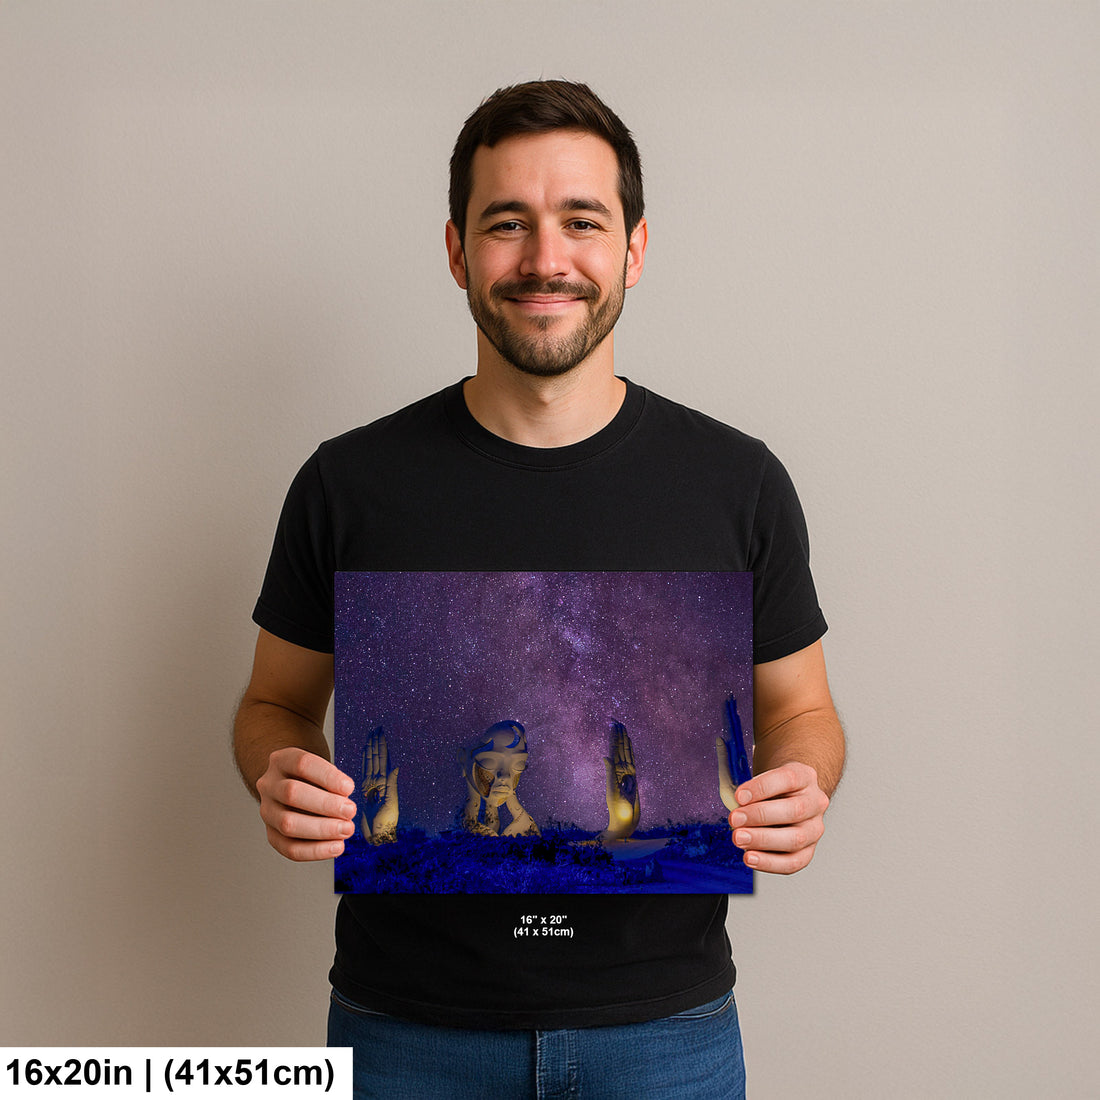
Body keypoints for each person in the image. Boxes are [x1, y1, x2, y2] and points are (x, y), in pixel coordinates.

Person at [233, 79, 845, 1099]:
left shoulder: (736, 483)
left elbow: (804, 712)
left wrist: (799, 783)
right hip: (406, 1032)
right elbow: (272, 703)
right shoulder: (349, 483)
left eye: (580, 221)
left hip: (665, 1030)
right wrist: (280, 769)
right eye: (506, 222)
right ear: (455, 250)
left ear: (634, 250)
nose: (544, 257)